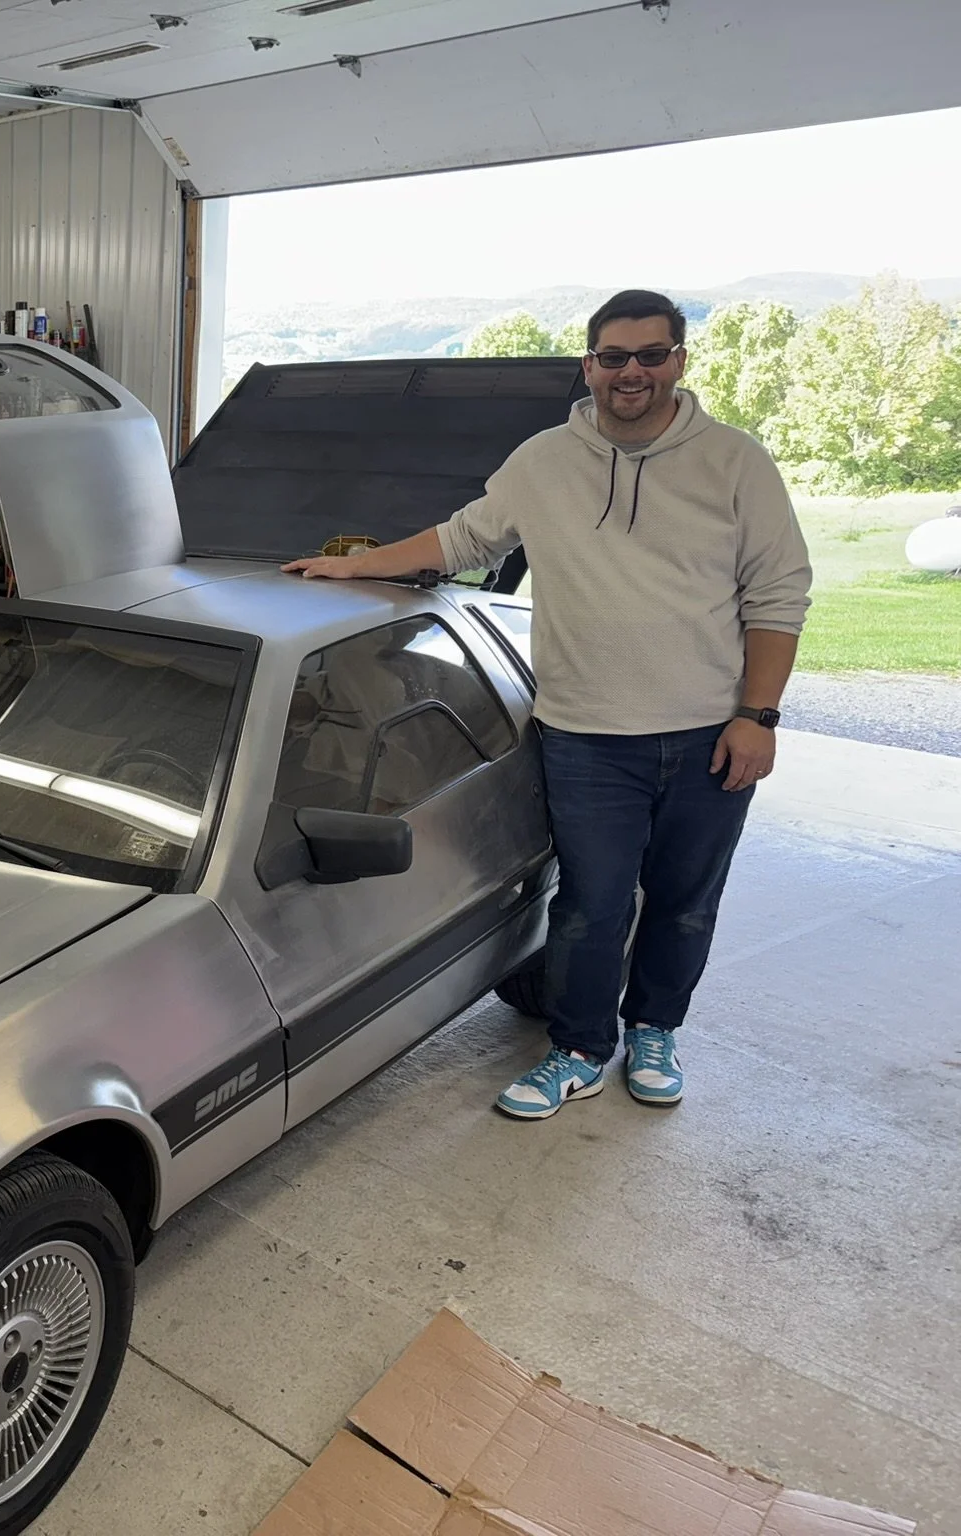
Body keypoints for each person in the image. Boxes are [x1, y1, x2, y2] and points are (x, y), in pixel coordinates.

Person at [283, 289, 812, 1119]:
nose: (631, 373)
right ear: (588, 365)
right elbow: (463, 540)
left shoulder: (736, 462)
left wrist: (760, 715)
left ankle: (656, 1031)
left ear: (679, 359)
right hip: (586, 736)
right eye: (613, 357)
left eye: (650, 355)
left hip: (710, 732)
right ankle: (577, 1049)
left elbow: (780, 596)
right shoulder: (542, 461)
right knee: (590, 907)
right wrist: (352, 565)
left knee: (683, 904)